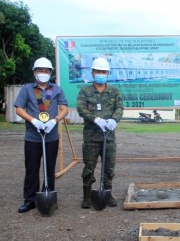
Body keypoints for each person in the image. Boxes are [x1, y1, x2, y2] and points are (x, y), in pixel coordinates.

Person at [14, 57, 68, 213]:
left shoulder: (56, 89)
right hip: (32, 136)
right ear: (34, 72)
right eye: (40, 70)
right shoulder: (27, 89)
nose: (43, 73)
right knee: (31, 169)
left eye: (46, 71)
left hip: (51, 136)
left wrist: (54, 120)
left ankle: (48, 196)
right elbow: (19, 108)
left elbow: (64, 108)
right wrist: (33, 121)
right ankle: (29, 200)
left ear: (50, 73)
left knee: (49, 168)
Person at [77, 57, 124, 208]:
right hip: (91, 137)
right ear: (92, 73)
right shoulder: (85, 91)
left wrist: (115, 120)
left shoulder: (114, 91)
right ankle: (86, 196)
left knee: (109, 168)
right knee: (89, 168)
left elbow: (119, 107)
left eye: (104, 72)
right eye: (98, 71)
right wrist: (95, 119)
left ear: (108, 74)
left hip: (109, 137)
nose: (101, 74)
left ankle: (107, 194)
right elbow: (81, 109)